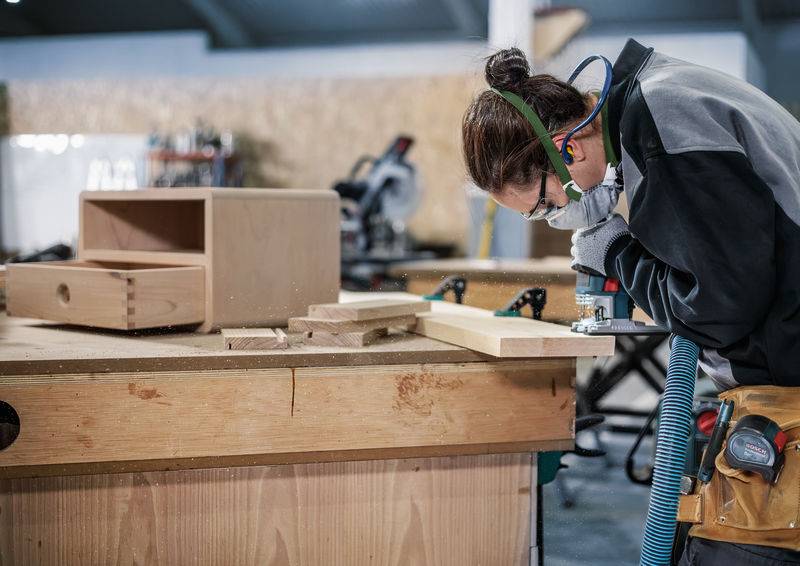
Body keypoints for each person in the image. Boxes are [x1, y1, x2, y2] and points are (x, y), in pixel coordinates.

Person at [462, 39, 800, 565]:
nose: (556, 218)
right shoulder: (656, 100)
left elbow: (720, 307)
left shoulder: (663, 126)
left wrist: (618, 252)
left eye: (546, 205)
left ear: (567, 147)